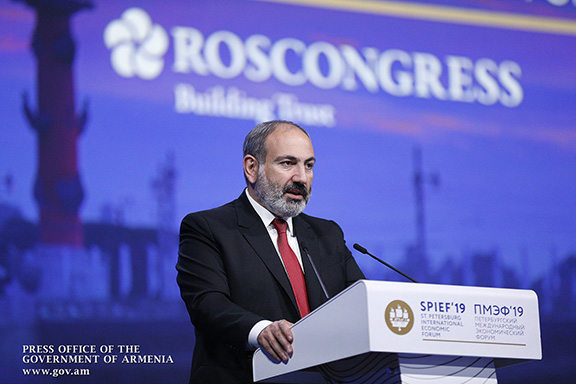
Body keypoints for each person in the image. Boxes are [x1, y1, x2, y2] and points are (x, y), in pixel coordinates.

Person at [176, 120, 365, 383]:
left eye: (308, 165)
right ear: (252, 168)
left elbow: (360, 303)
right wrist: (261, 330)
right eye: (288, 163)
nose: (301, 177)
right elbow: (207, 304)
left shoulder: (328, 234)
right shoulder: (208, 228)